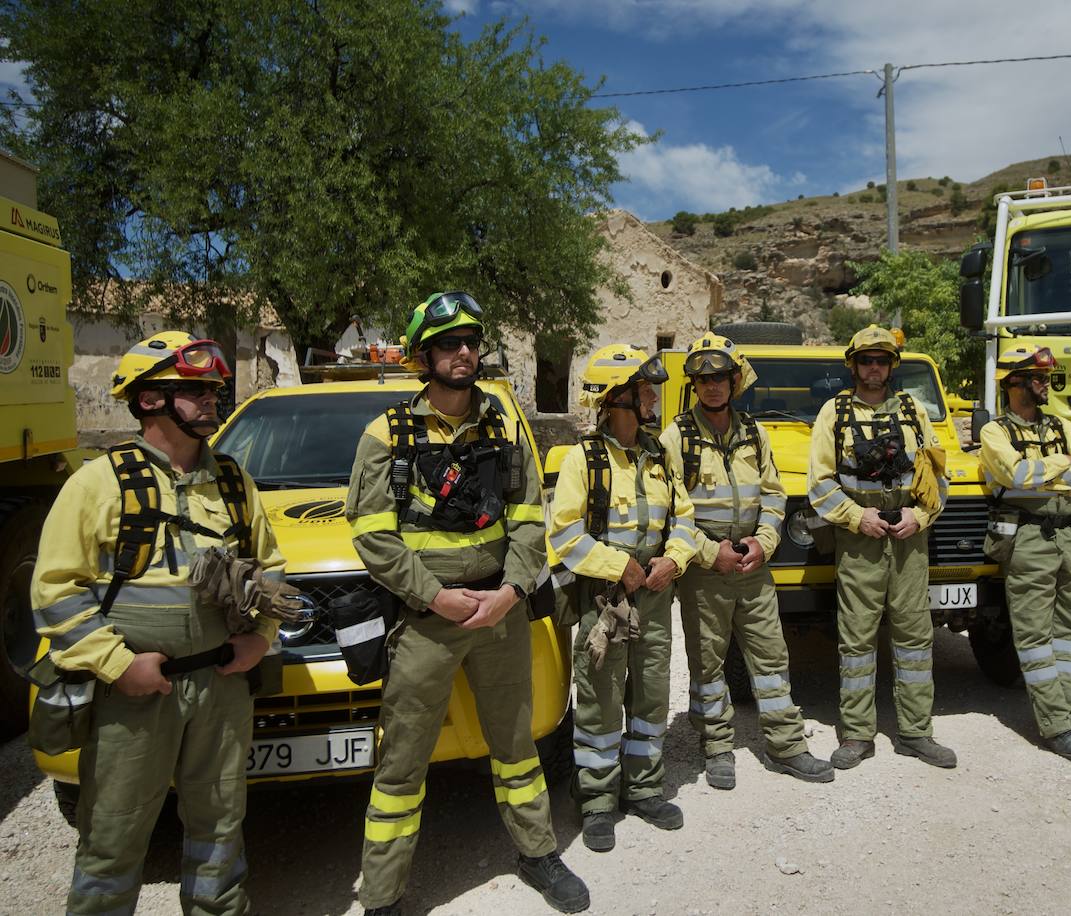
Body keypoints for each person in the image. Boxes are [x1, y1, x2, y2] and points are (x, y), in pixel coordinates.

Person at [30, 331, 289, 915]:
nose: (212, 399)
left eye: (213, 390)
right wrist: (119, 666)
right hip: (133, 697)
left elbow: (271, 569)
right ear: (149, 400)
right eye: (195, 391)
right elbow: (54, 592)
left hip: (222, 688)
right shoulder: (97, 484)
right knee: (113, 833)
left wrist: (259, 638)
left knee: (221, 825)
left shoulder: (233, 482)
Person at [347, 292, 587, 915]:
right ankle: (382, 896)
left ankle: (537, 853)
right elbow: (372, 537)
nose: (463, 353)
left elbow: (530, 521)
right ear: (422, 355)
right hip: (427, 621)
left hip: (500, 613)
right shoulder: (385, 435)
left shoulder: (504, 427)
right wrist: (436, 597)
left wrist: (510, 592)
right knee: (401, 763)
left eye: (471, 342)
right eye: (449, 344)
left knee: (517, 745)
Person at [660, 334, 834, 790]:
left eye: (720, 376)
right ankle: (717, 746)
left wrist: (765, 541)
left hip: (754, 567)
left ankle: (787, 746)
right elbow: (669, 513)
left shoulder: (755, 433)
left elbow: (774, 495)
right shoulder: (676, 438)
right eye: (703, 379)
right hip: (705, 573)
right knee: (708, 664)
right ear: (694, 385)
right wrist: (709, 552)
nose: (712, 385)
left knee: (772, 658)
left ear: (734, 381)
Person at [547, 344, 696, 853]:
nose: (653, 397)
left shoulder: (660, 456)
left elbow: (685, 519)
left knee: (652, 693)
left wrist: (673, 559)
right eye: (644, 390)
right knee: (600, 699)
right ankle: (596, 801)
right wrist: (620, 567)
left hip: (654, 594)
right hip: (604, 601)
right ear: (617, 399)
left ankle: (645, 789)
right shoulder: (582, 460)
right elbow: (564, 535)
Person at [807, 325, 956, 771]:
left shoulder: (914, 410)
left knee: (915, 638)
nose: (874, 368)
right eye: (866, 360)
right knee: (857, 638)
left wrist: (920, 516)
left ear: (892, 366)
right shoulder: (833, 413)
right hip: (859, 541)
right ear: (853, 365)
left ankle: (916, 732)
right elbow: (820, 484)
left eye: (882, 360)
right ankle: (857, 735)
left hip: (909, 539)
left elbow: (938, 476)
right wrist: (858, 517)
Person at [978, 345, 1071, 764]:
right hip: (1029, 539)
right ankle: (1056, 726)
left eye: (1047, 377)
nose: (1046, 384)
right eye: (1038, 378)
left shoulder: (1062, 425)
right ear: (1014, 383)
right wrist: (1061, 464)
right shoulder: (994, 433)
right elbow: (1015, 474)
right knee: (1034, 636)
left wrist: (1047, 472)